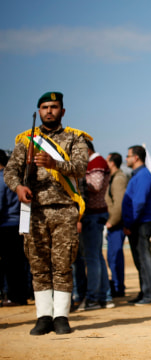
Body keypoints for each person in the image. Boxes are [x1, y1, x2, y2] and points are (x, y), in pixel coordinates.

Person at [4, 91, 90, 335]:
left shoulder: (75, 138)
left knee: (63, 265)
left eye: (53, 107)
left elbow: (80, 168)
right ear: (39, 111)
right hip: (34, 211)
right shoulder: (25, 140)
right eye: (44, 107)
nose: (49, 111)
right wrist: (18, 187)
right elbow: (10, 171)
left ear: (62, 111)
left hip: (64, 210)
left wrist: (55, 165)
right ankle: (43, 316)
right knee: (38, 265)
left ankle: (61, 316)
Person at [77, 140, 113, 310]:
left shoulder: (96, 162)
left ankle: (93, 297)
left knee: (92, 258)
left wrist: (76, 178)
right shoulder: (96, 162)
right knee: (96, 256)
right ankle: (103, 296)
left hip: (93, 213)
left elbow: (96, 185)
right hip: (95, 213)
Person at [122, 145, 151, 306]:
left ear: (136, 157)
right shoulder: (137, 175)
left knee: (143, 259)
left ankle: (150, 293)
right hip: (138, 222)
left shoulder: (143, 175)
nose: (126, 159)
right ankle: (145, 291)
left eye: (128, 156)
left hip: (141, 222)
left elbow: (139, 202)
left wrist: (130, 222)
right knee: (140, 260)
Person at [0, 149, 31, 307]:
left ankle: (13, 296)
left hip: (6, 226)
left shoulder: (3, 179)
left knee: (9, 265)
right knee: (21, 263)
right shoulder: (19, 179)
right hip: (21, 223)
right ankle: (22, 294)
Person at [105, 152, 128, 298]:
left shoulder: (118, 179)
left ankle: (118, 287)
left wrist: (111, 221)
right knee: (112, 257)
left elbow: (119, 204)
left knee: (115, 257)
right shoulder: (115, 178)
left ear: (112, 163)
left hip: (116, 224)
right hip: (114, 223)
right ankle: (117, 285)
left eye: (107, 160)